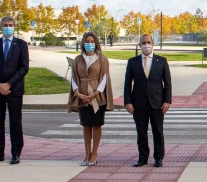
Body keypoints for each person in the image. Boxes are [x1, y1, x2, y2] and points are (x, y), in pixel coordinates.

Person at [0, 16, 29, 165]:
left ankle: (16, 153)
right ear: (1, 27)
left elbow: (24, 67)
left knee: (15, 122)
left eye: (10, 25)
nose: (7, 27)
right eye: (5, 25)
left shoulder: (21, 44)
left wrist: (9, 84)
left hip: (14, 90)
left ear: (14, 27)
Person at [124, 33, 172, 167]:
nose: (146, 45)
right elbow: (128, 83)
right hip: (138, 103)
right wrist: (128, 101)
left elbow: (167, 83)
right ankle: (142, 157)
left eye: (148, 42)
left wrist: (167, 101)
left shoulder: (161, 61)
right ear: (139, 45)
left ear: (153, 44)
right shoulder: (132, 62)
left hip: (157, 103)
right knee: (141, 132)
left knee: (158, 131)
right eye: (143, 43)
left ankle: (158, 157)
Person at [68, 32, 114, 166]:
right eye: (87, 41)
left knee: (96, 124)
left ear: (96, 43)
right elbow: (74, 77)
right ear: (83, 43)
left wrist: (95, 93)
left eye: (91, 41)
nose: (89, 43)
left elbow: (105, 78)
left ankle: (94, 153)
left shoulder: (102, 59)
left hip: (97, 97)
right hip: (82, 96)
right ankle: (87, 153)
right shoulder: (78, 59)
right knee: (86, 125)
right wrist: (77, 93)